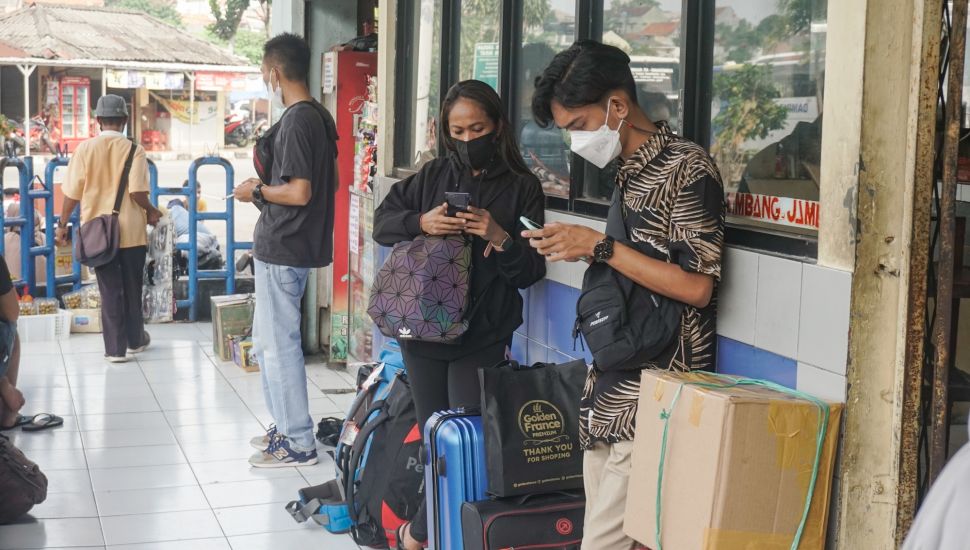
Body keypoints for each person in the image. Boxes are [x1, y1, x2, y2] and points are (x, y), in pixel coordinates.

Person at [526, 41, 725, 550]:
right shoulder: (628, 171)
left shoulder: (687, 169)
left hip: (656, 393)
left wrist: (600, 245)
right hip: (611, 390)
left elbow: (697, 287)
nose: (575, 141)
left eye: (577, 124)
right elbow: (635, 269)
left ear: (617, 106)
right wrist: (585, 248)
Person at [374, 79, 547, 550]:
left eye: (478, 128)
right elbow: (382, 223)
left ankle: (433, 533)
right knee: (436, 442)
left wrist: (498, 235)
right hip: (424, 331)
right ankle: (430, 531)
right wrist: (421, 222)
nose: (468, 140)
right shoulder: (431, 176)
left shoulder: (523, 189)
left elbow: (530, 271)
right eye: (458, 130)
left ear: (498, 127)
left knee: (467, 442)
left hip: (483, 334)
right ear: (446, 132)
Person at [233, 33, 339, 468]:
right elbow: (315, 188)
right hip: (291, 245)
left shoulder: (298, 120)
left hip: (285, 245)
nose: (265, 81)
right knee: (268, 342)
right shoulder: (318, 116)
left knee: (278, 347)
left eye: (263, 74)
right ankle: (285, 425)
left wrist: (254, 189)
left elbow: (298, 192)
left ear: (274, 73)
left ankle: (297, 441)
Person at [57, 95, 161, 363]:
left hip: (99, 234)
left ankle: (115, 350)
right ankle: (135, 341)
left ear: (99, 121)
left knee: (110, 290)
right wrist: (151, 210)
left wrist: (61, 225)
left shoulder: (85, 149)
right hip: (131, 233)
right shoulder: (134, 149)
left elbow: (71, 194)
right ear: (125, 120)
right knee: (133, 287)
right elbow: (138, 192)